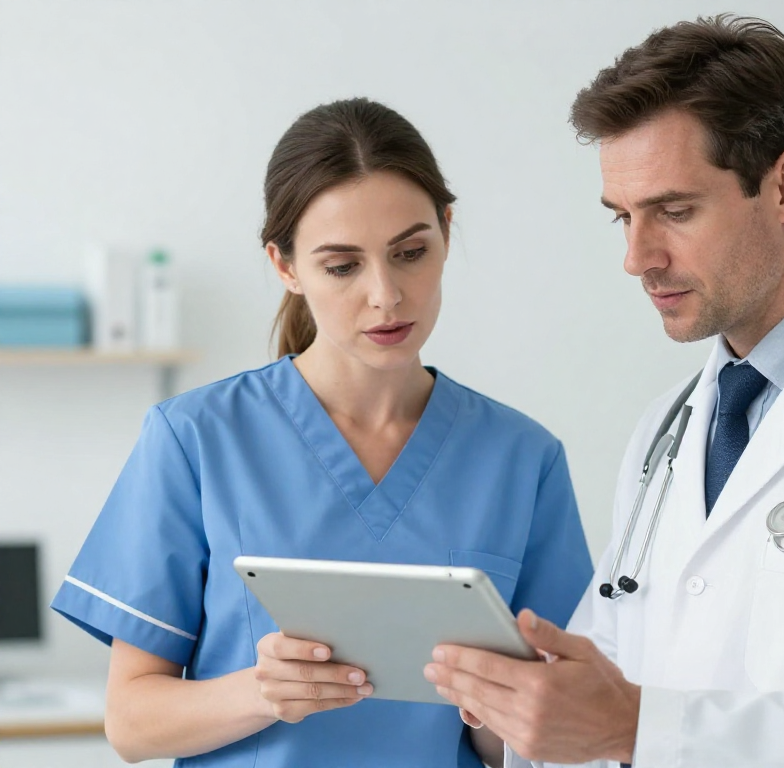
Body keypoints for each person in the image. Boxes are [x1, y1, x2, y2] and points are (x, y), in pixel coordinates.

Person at [424, 15, 784, 767]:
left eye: (674, 212)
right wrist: (514, 701)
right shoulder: (668, 430)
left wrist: (636, 727)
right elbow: (607, 680)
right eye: (624, 218)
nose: (637, 257)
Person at [51, 97, 593, 768]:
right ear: (285, 265)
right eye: (343, 266)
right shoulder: (194, 439)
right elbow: (131, 723)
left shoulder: (522, 459)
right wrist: (262, 692)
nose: (386, 295)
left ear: (447, 233)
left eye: (411, 252)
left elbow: (540, 738)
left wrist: (498, 707)